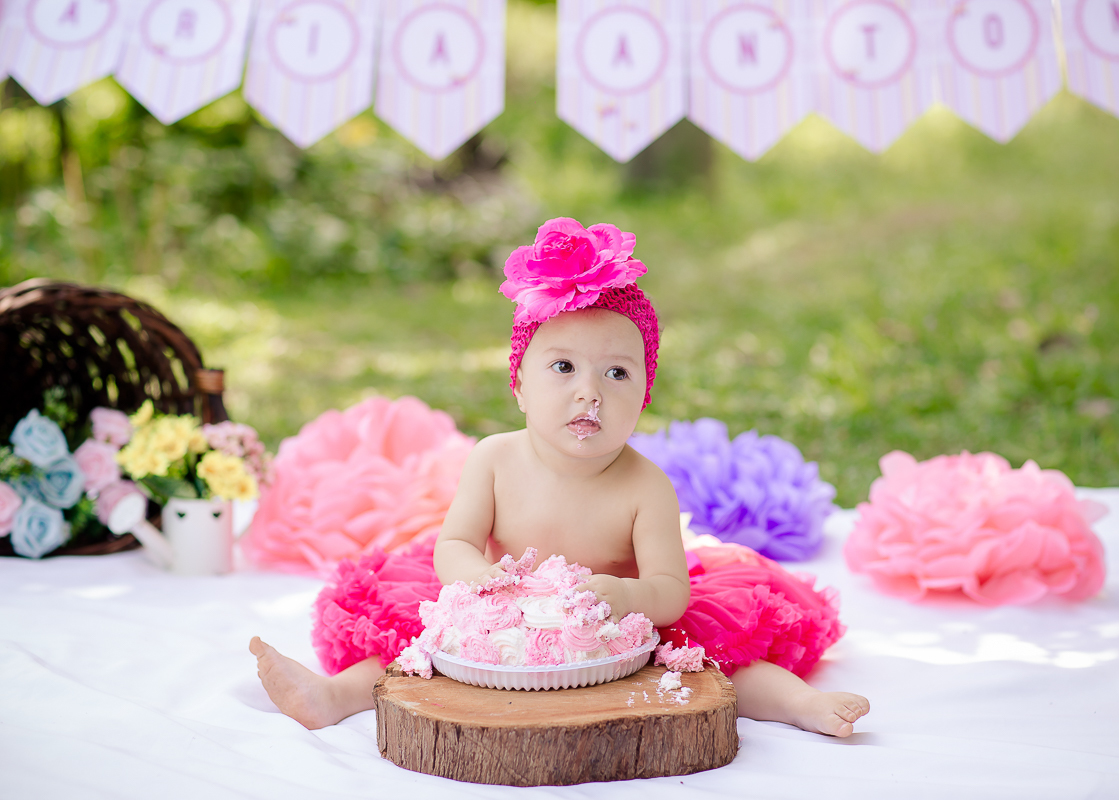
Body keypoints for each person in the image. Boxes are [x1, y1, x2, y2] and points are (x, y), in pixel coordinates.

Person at [250, 218, 869, 737]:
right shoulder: (494, 459)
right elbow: (454, 544)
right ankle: (333, 697)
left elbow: (670, 592)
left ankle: (801, 705)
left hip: (616, 625)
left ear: (644, 396)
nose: (589, 393)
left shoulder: (645, 486)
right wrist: (478, 579)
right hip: (501, 617)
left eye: (617, 373)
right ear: (519, 385)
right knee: (412, 645)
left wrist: (626, 596)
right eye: (564, 367)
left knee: (717, 657)